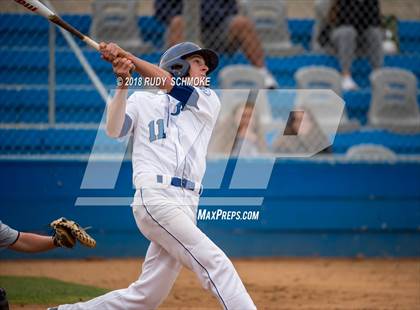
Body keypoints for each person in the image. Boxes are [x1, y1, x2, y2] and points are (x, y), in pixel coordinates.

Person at [50, 41, 256, 309]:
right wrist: (123, 83)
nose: (206, 67)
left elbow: (169, 84)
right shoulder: (143, 100)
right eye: (197, 61)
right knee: (214, 262)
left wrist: (128, 57)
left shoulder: (207, 100)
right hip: (156, 197)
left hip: (188, 201)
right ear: (178, 65)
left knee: (147, 295)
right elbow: (114, 130)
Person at [155, 0, 278, 88]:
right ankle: (175, 76)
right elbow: (161, 10)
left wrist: (208, 15)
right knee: (178, 22)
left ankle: (263, 73)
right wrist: (188, 15)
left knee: (242, 23)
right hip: (187, 27)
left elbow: (231, 8)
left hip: (217, 28)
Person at [317, 0, 383, 91]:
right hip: (337, 36)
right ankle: (346, 76)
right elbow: (344, 20)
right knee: (348, 31)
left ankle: (378, 75)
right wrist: (362, 17)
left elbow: (376, 22)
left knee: (375, 33)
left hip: (360, 36)